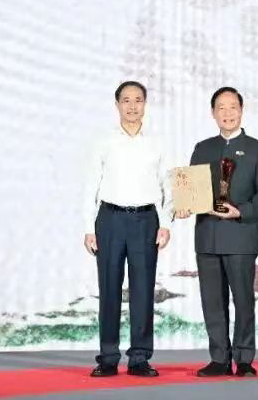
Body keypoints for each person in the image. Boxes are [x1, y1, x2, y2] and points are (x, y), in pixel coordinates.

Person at [82, 81, 173, 377]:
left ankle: (139, 358)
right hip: (109, 220)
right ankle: (108, 358)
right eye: (126, 100)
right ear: (117, 104)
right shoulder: (103, 142)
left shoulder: (157, 143)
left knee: (143, 290)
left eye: (138, 100)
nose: (132, 106)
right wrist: (88, 227)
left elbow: (169, 186)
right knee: (109, 288)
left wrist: (166, 223)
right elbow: (90, 186)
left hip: (146, 220)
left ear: (145, 104)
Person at [189, 86, 258, 378]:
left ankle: (244, 359)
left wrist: (242, 211)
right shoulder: (202, 148)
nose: (227, 113)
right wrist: (184, 204)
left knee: (243, 301)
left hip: (241, 235)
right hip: (207, 236)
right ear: (213, 113)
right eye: (221, 108)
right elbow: (192, 190)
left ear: (241, 110)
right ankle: (219, 359)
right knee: (213, 302)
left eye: (232, 107)